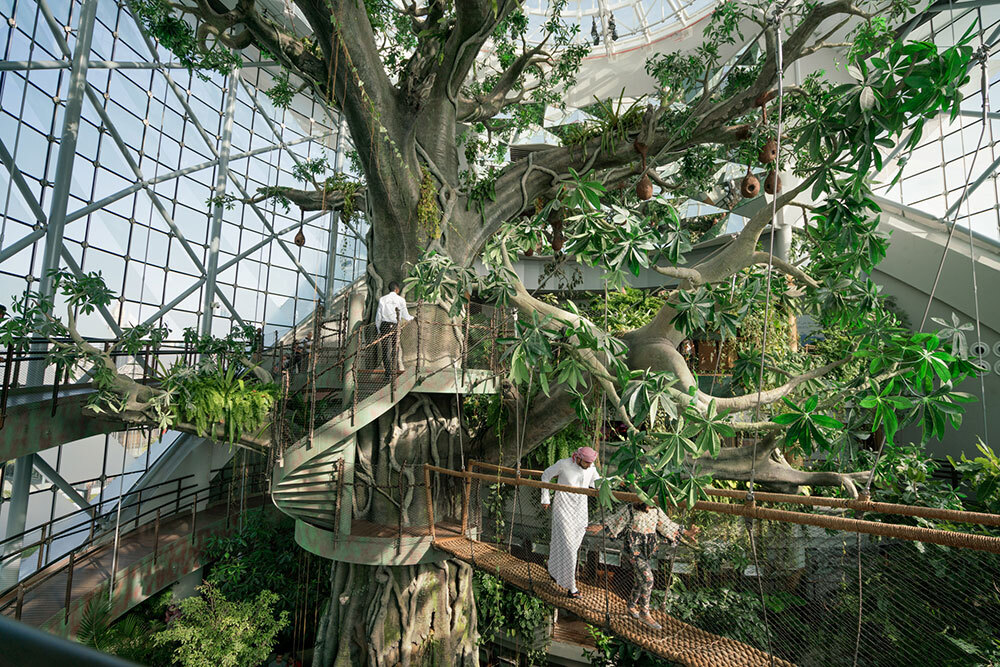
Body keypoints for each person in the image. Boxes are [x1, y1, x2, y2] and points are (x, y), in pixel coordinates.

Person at [602, 500, 699, 629]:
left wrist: (687, 533)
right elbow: (616, 521)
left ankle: (631, 606)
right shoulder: (631, 509)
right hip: (633, 549)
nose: (653, 501)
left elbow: (667, 525)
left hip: (647, 549)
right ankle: (644, 612)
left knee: (640, 578)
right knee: (648, 579)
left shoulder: (656, 510)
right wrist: (601, 526)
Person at [540, 446, 601, 598]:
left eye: (590, 463)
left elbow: (597, 484)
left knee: (572, 547)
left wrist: (616, 483)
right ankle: (571, 587)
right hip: (563, 508)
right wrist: (545, 498)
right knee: (568, 547)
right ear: (579, 458)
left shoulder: (591, 468)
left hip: (580, 511)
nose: (589, 465)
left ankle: (553, 570)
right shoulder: (563, 464)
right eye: (586, 462)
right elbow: (546, 475)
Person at [374, 282, 413, 373]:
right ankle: (394, 371)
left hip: (385, 325)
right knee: (395, 348)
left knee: (385, 350)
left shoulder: (382, 299)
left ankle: (388, 373)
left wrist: (378, 328)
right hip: (395, 325)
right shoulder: (401, 300)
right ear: (397, 290)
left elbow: (378, 316)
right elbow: (405, 314)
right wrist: (412, 318)